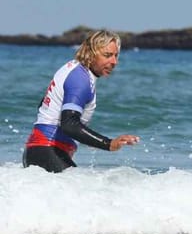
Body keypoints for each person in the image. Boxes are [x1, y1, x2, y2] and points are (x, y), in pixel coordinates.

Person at [22, 30, 140, 173]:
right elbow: (70, 124)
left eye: (116, 55)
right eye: (107, 55)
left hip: (40, 152)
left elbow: (44, 106)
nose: (114, 62)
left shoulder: (73, 68)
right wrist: (109, 143)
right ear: (90, 53)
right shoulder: (80, 80)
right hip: (48, 152)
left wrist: (84, 137)